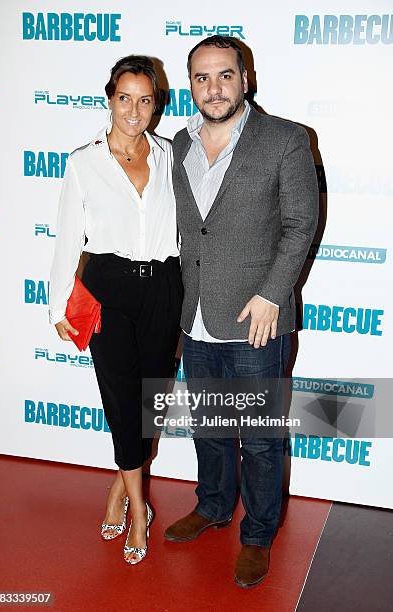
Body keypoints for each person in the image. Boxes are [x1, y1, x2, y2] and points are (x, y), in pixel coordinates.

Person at [164, 36, 319, 587]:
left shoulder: (285, 140)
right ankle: (212, 506)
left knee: (258, 435)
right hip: (197, 313)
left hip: (258, 318)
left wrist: (275, 293)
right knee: (208, 426)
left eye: (225, 76)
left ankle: (257, 533)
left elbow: (301, 224)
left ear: (244, 79)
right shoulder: (177, 145)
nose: (214, 88)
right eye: (202, 79)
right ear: (191, 87)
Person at [49, 55, 183, 565]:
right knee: (119, 398)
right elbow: (67, 239)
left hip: (164, 287)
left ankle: (117, 486)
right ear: (109, 99)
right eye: (124, 98)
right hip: (108, 288)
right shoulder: (84, 161)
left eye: (144, 100)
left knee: (149, 403)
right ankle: (138, 507)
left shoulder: (171, 155)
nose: (133, 109)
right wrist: (58, 303)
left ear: (156, 105)